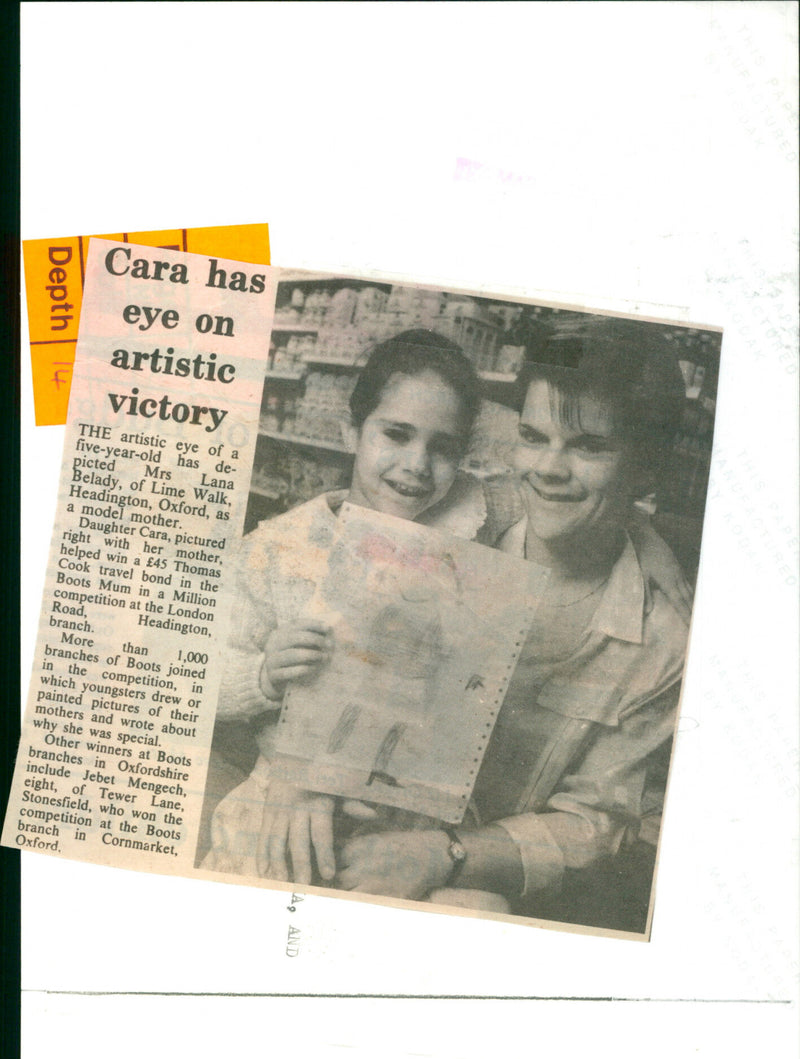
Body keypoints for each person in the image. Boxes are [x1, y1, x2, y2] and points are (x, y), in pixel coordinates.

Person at [203, 321, 689, 928]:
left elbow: (598, 823)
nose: (548, 470)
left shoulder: (658, 636)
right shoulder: (461, 518)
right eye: (532, 437)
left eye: (590, 446)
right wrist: (300, 761)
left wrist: (648, 542)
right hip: (310, 799)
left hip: (445, 844)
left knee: (478, 913)